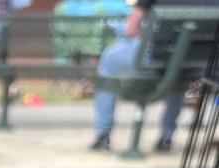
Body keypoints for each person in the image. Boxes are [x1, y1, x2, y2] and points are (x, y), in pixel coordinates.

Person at [90, 0, 213, 152]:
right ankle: (166, 137)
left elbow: (130, 30)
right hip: (194, 65)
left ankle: (103, 134)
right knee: (177, 73)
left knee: (108, 61)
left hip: (153, 59)